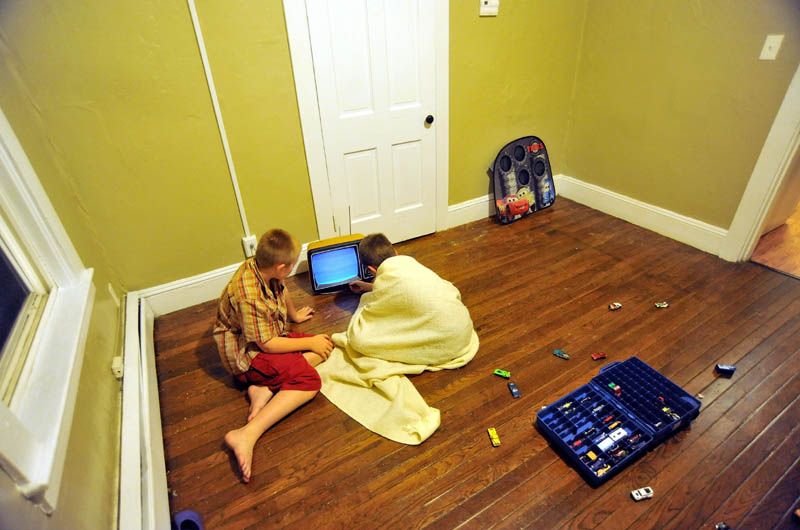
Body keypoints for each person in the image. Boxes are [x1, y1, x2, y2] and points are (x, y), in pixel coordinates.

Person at [213, 228, 334, 483]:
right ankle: (247, 434)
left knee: (323, 345)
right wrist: (308, 340)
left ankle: (263, 387)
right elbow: (267, 345)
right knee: (309, 381)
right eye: (289, 267)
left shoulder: (264, 268)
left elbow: (282, 289)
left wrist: (294, 316)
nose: (290, 272)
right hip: (248, 354)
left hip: (266, 337)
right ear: (280, 267)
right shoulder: (250, 297)